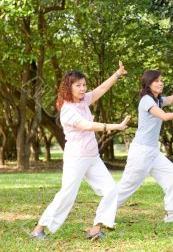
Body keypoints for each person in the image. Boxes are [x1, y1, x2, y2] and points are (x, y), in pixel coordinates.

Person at [31, 62, 131, 240]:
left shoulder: (84, 101)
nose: (83, 88)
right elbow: (87, 125)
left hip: (92, 157)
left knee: (111, 190)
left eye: (84, 85)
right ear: (68, 87)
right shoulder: (67, 110)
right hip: (76, 157)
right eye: (78, 85)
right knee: (67, 194)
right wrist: (116, 126)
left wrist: (117, 74)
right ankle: (39, 228)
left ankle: (95, 228)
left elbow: (101, 89)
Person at [116, 70, 173, 223]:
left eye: (161, 80)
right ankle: (103, 214)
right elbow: (164, 116)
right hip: (141, 151)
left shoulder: (159, 100)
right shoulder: (146, 100)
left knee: (172, 175)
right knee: (127, 185)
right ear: (148, 84)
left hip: (153, 152)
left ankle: (171, 214)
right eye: (156, 81)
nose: (160, 83)